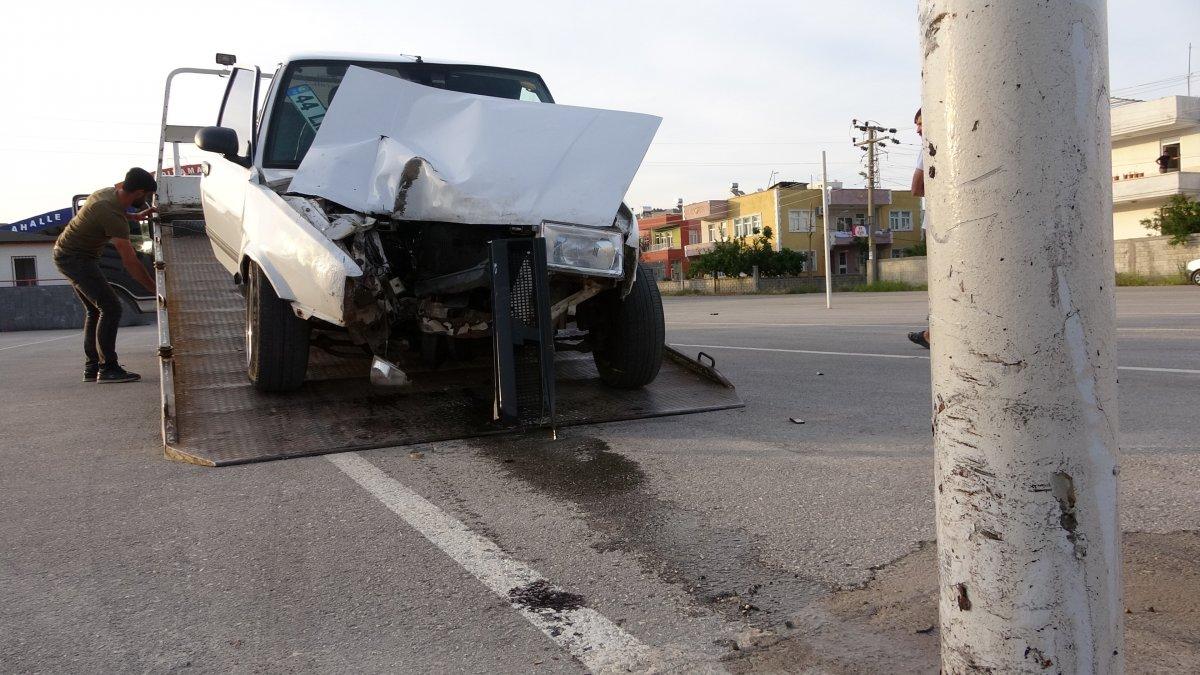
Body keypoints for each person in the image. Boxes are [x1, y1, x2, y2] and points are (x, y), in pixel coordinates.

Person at [53, 168, 158, 383]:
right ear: (138, 192)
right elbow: (130, 262)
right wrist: (154, 288)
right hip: (75, 259)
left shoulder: (107, 194)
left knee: (95, 310)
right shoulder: (111, 214)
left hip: (67, 254)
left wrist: (134, 216)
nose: (146, 199)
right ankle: (108, 368)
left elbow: (110, 213)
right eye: (146, 195)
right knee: (111, 307)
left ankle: (92, 367)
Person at [907, 108, 932, 350]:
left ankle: (931, 333)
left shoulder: (928, 148)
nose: (917, 130)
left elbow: (915, 188)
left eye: (920, 123)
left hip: (937, 224)